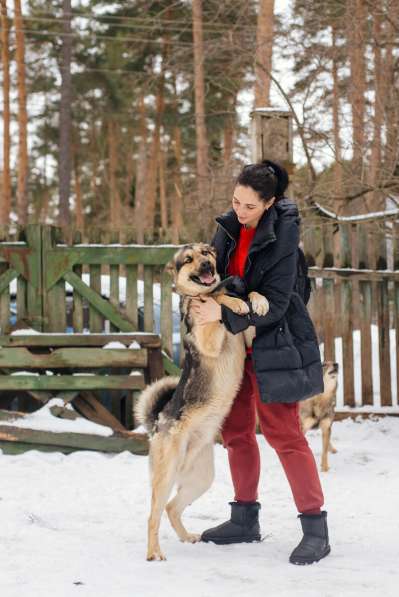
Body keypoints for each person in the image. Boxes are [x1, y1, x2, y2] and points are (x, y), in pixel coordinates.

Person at [190, 159, 330, 565]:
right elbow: (211, 273)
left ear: (270, 203)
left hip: (276, 343)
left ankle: (315, 527)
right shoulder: (228, 226)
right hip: (231, 346)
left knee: (284, 434)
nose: (240, 210)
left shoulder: (285, 237)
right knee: (235, 430)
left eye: (249, 206)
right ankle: (244, 519)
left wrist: (225, 314)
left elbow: (280, 303)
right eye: (236, 201)